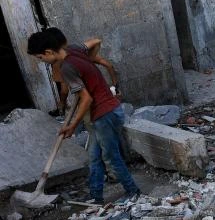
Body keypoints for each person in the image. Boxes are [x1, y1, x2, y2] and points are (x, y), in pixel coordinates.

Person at [28, 28, 140, 204]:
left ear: (49, 52)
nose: (42, 61)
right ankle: (96, 197)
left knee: (111, 156)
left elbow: (86, 99)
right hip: (105, 113)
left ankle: (133, 191)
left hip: (105, 115)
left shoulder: (66, 67)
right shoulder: (75, 49)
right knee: (94, 156)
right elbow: (96, 41)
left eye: (40, 58)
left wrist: (73, 125)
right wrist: (93, 59)